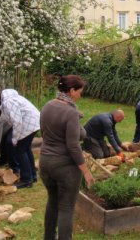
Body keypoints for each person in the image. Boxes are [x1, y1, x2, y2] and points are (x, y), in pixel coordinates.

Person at [39, 75, 95, 240]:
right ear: (71, 91)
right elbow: (73, 145)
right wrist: (85, 171)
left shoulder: (47, 106)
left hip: (45, 163)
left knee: (53, 200)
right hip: (65, 167)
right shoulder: (71, 112)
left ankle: (48, 237)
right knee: (66, 208)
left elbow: (44, 133)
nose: (80, 95)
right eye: (79, 91)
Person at [0, 88, 40, 189]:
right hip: (33, 122)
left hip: (29, 124)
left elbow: (17, 121)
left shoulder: (8, 102)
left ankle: (26, 180)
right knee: (26, 149)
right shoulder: (9, 99)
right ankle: (33, 176)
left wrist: (15, 138)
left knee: (20, 150)